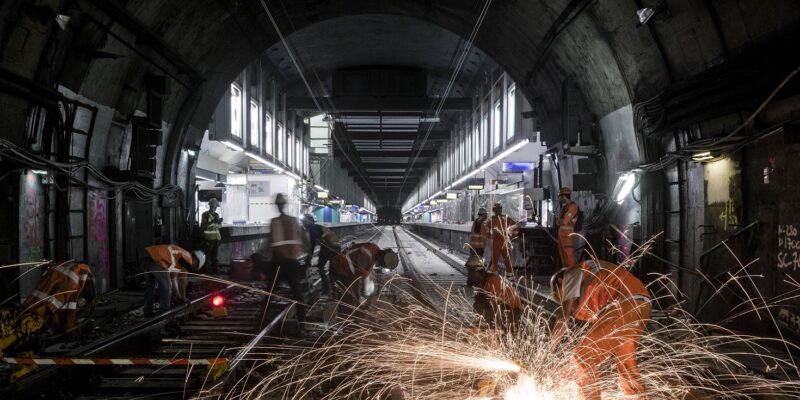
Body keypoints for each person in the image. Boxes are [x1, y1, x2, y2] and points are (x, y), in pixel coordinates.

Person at [550, 259, 652, 400]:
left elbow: (563, 316)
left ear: (560, 282)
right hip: (641, 304)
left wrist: (549, 350)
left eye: (560, 297)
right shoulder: (594, 280)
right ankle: (636, 396)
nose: (566, 301)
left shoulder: (570, 274)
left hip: (624, 304)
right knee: (625, 361)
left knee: (582, 357)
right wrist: (568, 370)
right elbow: (599, 347)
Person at [269, 193, 306, 320]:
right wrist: (308, 257)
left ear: (278, 205)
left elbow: (270, 244)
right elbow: (305, 239)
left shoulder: (275, 222)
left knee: (270, 291)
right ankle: (302, 322)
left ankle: (264, 318)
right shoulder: (294, 221)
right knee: (298, 293)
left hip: (279, 263)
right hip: (292, 263)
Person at [143, 244, 205, 317]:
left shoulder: (179, 258)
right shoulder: (187, 258)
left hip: (147, 255)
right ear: (196, 260)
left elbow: (174, 279)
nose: (193, 266)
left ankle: (148, 311)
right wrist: (183, 297)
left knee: (151, 286)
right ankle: (164, 313)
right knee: (167, 286)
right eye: (195, 265)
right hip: (157, 260)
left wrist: (179, 297)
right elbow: (183, 281)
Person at [465, 255, 523, 330]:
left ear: (478, 271)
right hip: (505, 310)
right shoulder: (483, 281)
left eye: (470, 272)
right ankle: (492, 326)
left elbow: (498, 304)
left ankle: (498, 329)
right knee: (479, 302)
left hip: (513, 312)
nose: (469, 275)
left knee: (480, 303)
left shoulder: (492, 281)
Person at [330, 242, 398, 301]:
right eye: (382, 265)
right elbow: (355, 280)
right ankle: (343, 311)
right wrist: (359, 298)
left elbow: (368, 270)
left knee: (356, 291)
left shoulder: (376, 249)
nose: (380, 266)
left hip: (350, 265)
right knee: (348, 296)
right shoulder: (365, 258)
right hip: (339, 266)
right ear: (380, 258)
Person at [301, 214, 341, 295]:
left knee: (320, 267)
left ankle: (326, 288)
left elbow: (312, 246)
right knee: (332, 269)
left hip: (328, 247)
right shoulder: (318, 227)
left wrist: (308, 260)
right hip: (337, 247)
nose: (303, 224)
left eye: (304, 222)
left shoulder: (312, 229)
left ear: (309, 222)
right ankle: (334, 288)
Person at [483, 202, 518, 277]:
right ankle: (506, 274)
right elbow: (516, 225)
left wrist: (490, 235)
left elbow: (485, 228)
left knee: (499, 259)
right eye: (497, 210)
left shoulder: (492, 219)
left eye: (497, 210)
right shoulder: (504, 218)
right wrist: (511, 235)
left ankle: (496, 274)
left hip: (499, 242)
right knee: (504, 259)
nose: (498, 212)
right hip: (503, 241)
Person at [557, 186, 580, 269]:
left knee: (568, 255)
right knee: (563, 256)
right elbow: (558, 221)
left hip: (567, 235)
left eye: (560, 197)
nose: (559, 199)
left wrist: (561, 221)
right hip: (562, 235)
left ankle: (571, 275)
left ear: (563, 196)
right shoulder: (564, 207)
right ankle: (566, 275)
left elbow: (564, 221)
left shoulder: (573, 207)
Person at [201, 198, 223, 274]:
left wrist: (219, 222)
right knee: (208, 256)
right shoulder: (205, 215)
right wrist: (212, 221)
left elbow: (218, 227)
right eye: (215, 206)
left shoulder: (216, 215)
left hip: (216, 238)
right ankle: (206, 272)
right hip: (209, 239)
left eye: (216, 206)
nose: (215, 208)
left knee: (215, 256)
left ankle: (215, 271)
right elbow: (203, 226)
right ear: (211, 206)